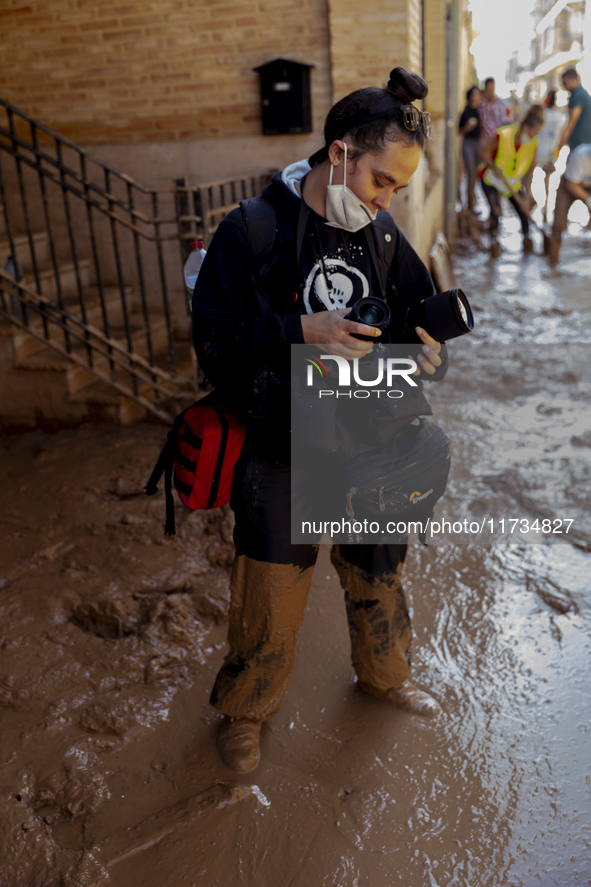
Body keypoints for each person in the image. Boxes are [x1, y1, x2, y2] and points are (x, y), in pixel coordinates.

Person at [192, 67, 448, 774]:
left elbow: (409, 322)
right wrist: (299, 330)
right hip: (282, 441)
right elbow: (211, 341)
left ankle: (384, 677)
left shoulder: (386, 236)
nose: (385, 199)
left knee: (378, 567)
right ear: (339, 154)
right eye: (379, 181)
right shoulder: (252, 231)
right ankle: (245, 711)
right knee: (270, 585)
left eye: (396, 187)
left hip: (372, 436)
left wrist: (421, 345)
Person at [479, 104, 545, 255]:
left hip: (512, 185)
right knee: (496, 212)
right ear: (526, 127)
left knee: (523, 214)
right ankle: (494, 245)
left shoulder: (533, 144)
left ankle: (527, 243)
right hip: (492, 180)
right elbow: (482, 151)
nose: (535, 136)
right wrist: (493, 165)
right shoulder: (503, 134)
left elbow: (530, 174)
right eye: (535, 132)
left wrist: (527, 199)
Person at [547, 142, 591, 264]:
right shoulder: (580, 155)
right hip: (570, 185)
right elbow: (571, 184)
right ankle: (553, 263)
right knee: (559, 224)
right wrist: (587, 199)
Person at [536, 90, 565, 222]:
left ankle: (544, 209)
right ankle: (547, 209)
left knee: (542, 182)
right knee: (548, 183)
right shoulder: (560, 117)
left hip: (540, 153)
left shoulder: (543, 114)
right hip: (552, 154)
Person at [458, 85, 483, 213]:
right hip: (468, 143)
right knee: (471, 173)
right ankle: (469, 205)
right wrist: (467, 128)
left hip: (478, 143)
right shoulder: (466, 111)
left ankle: (472, 203)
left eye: (478, 94)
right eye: (474, 94)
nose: (476, 96)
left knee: (475, 175)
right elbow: (459, 130)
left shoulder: (480, 110)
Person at [556, 68, 591, 154]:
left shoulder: (579, 96)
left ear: (574, 79)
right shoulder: (579, 94)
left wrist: (557, 150)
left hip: (581, 147)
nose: (564, 86)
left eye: (565, 83)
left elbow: (571, 124)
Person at [478, 77, 511, 141]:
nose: (490, 92)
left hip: (497, 140)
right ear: (485, 89)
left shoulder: (501, 105)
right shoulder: (481, 104)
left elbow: (505, 122)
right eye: (488, 89)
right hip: (484, 141)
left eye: (492, 89)